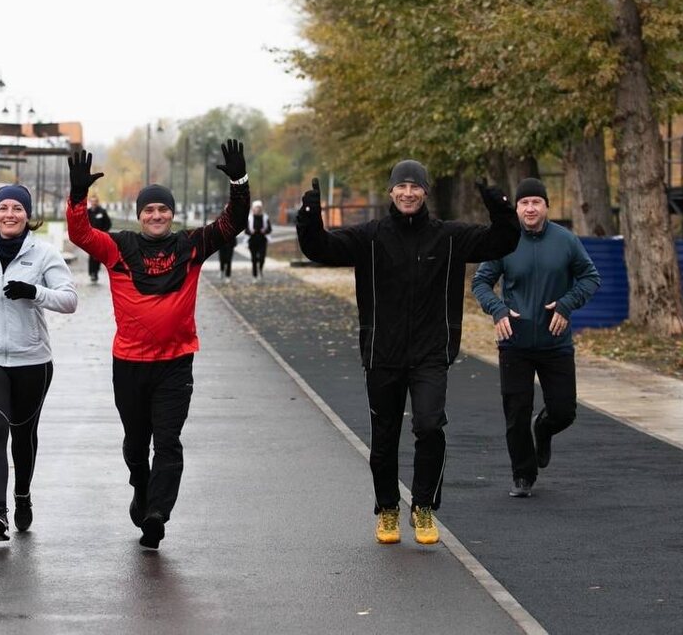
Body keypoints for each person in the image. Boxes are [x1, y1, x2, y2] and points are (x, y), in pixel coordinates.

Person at [295, 160, 518, 546]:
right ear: (391, 192)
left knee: (430, 427)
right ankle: (387, 509)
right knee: (384, 437)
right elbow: (321, 248)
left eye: (416, 187)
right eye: (402, 187)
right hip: (383, 353)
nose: (409, 193)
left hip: (431, 353)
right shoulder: (371, 237)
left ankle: (424, 506)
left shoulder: (448, 237)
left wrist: (497, 202)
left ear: (426, 193)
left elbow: (502, 240)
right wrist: (310, 215)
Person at [66, 140, 249, 549]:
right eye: (149, 209)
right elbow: (79, 233)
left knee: (167, 440)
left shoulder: (191, 245)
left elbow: (232, 223)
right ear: (140, 215)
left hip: (175, 363)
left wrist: (239, 181)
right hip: (129, 363)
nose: (156, 215)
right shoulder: (119, 247)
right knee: (136, 443)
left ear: (172, 214)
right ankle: (141, 486)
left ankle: (157, 514)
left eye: (162, 209)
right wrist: (78, 196)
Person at [0, 184, 78, 541]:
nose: (10, 214)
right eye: (3, 208)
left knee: (22, 434)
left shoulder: (44, 254)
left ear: (28, 215)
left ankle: (22, 494)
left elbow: (69, 300)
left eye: (17, 209)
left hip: (32, 360)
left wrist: (34, 292)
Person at [471, 178, 600, 498]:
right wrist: (498, 310)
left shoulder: (566, 241)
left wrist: (567, 305)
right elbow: (481, 283)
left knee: (564, 411)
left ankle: (543, 428)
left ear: (546, 207)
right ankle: (523, 476)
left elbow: (590, 277)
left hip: (555, 341)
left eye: (536, 202)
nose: (530, 208)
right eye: (524, 203)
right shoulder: (505, 241)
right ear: (516, 208)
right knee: (516, 412)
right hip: (514, 342)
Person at [86, 193, 113, 282]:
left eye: (95, 201)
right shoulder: (88, 212)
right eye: (92, 201)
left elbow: (108, 223)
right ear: (90, 202)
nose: (94, 203)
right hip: (90, 237)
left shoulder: (102, 211)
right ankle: (92, 273)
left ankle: (95, 272)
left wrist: (104, 233)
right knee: (91, 255)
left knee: (97, 255)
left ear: (97, 202)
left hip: (100, 237)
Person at [247, 199, 273, 279]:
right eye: (256, 207)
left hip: (262, 240)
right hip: (252, 240)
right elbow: (246, 230)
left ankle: (260, 269)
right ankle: (254, 276)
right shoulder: (249, 218)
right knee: (254, 259)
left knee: (262, 257)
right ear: (253, 208)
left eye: (259, 208)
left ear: (261, 209)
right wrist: (250, 232)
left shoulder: (265, 217)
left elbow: (269, 229)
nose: (257, 209)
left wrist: (265, 231)